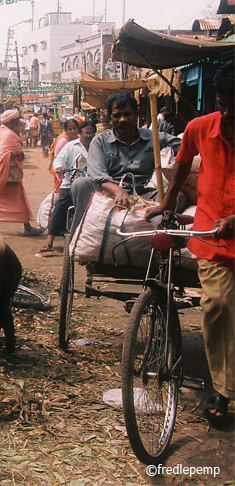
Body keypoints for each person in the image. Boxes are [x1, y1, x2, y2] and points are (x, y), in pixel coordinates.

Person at [144, 60, 234, 428]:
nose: (228, 113)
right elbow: (180, 167)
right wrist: (165, 205)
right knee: (219, 304)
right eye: (223, 104)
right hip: (212, 240)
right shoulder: (199, 128)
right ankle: (224, 390)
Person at [69, 90, 181, 232]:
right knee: (80, 184)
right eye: (117, 115)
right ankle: (78, 235)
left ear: (136, 114)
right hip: (108, 192)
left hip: (146, 193)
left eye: (127, 114)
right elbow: (98, 175)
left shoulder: (154, 137)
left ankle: (166, 236)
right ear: (110, 118)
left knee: (178, 193)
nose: (122, 119)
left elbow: (186, 146)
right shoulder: (100, 141)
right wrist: (118, 191)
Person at [41, 121, 96, 253]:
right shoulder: (70, 146)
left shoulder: (98, 146)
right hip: (70, 183)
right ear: (80, 134)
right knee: (60, 208)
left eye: (91, 133)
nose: (88, 136)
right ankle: (49, 241)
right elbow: (59, 159)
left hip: (91, 185)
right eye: (86, 133)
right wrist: (59, 167)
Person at [0, 109, 42, 236]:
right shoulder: (7, 134)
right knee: (13, 199)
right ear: (10, 121)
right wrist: (18, 154)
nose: (18, 122)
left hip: (7, 172)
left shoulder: (3, 132)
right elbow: (4, 154)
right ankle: (27, 227)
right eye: (16, 120)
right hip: (8, 173)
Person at [48, 118, 80, 189]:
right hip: (63, 176)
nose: (73, 131)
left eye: (75, 128)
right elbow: (57, 159)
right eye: (70, 129)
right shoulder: (63, 142)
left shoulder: (81, 140)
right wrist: (62, 179)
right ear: (66, 131)